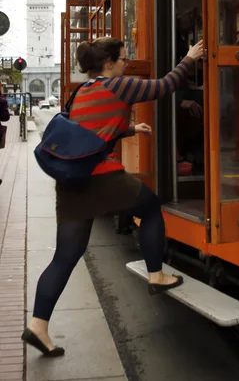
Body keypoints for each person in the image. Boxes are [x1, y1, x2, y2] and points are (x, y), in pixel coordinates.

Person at [21, 36, 204, 357]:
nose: (126, 64)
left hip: (71, 182)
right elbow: (165, 86)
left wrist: (131, 130)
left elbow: (88, 131)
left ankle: (38, 326)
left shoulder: (82, 92)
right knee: (149, 207)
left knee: (64, 258)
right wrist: (189, 57)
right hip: (101, 177)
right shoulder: (119, 86)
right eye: (123, 60)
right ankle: (156, 275)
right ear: (109, 64)